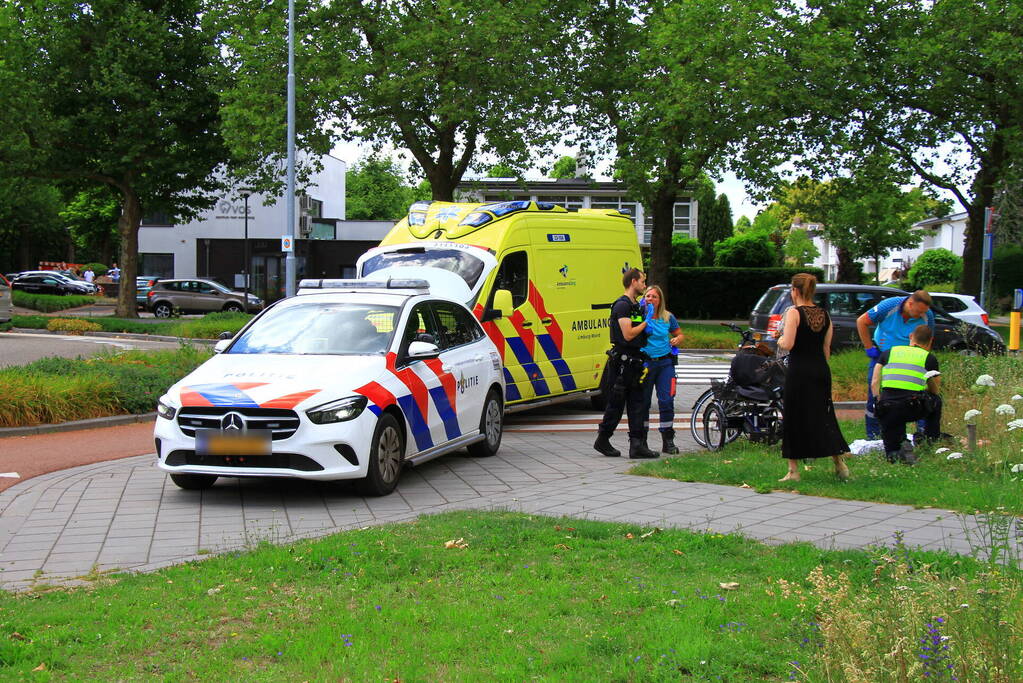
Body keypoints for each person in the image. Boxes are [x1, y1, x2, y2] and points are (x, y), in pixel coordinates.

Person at [777, 273, 850, 482]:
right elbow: (826, 350)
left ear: (795, 291)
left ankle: (794, 471)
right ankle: (839, 463)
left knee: (794, 417)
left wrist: (780, 338)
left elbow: (789, 344)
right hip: (820, 370)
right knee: (823, 416)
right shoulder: (825, 314)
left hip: (799, 371)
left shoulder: (794, 313)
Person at [594, 268, 658, 459]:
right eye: (642, 282)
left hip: (636, 362)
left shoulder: (635, 305)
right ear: (633, 282)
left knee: (637, 404)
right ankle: (603, 439)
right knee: (616, 404)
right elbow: (628, 334)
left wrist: (646, 328)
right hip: (622, 364)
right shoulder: (622, 306)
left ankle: (637, 446)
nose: (645, 286)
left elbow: (637, 332)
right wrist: (646, 323)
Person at [856, 290, 934, 438]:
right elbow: (862, 321)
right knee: (875, 393)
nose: (920, 315)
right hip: (882, 355)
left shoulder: (927, 315)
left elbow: (928, 339)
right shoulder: (889, 306)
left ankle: (922, 435)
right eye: (918, 311)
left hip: (909, 359)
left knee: (917, 394)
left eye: (923, 312)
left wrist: (924, 359)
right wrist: (869, 347)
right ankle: (873, 436)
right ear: (910, 303)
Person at [871, 324, 942, 465]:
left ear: (911, 337)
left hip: (887, 407)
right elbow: (935, 391)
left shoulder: (888, 352)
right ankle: (929, 440)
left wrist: (877, 401)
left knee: (891, 446)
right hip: (913, 407)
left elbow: (874, 382)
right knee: (936, 400)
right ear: (931, 340)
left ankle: (896, 450)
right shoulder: (929, 358)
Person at [639, 285, 684, 454]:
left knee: (666, 401)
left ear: (660, 300)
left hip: (665, 363)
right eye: (648, 296)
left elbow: (679, 333)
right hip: (646, 364)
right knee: (643, 403)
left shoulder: (667, 317)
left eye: (654, 297)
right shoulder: (641, 316)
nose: (650, 299)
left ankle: (668, 439)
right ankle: (641, 440)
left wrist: (677, 339)